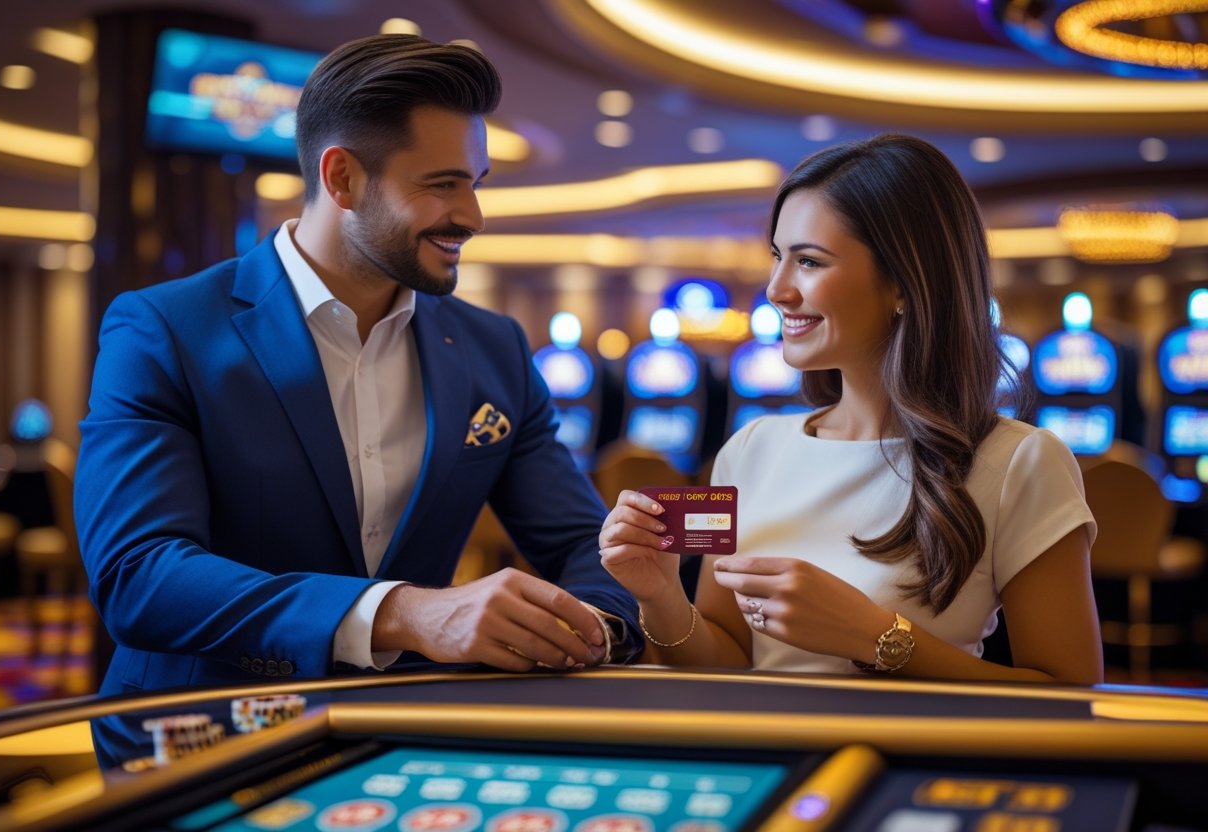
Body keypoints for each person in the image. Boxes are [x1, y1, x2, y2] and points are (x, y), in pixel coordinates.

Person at [75, 33, 641, 751]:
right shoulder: (163, 329)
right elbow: (140, 575)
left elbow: (581, 546)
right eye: (442, 183)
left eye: (476, 181)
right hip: (201, 735)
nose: (473, 215)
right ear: (341, 178)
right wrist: (401, 614)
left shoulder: (492, 347)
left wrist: (595, 625)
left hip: (404, 733)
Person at [600, 134, 1103, 684]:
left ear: (905, 284)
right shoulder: (750, 450)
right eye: (777, 257)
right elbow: (728, 663)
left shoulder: (1021, 462)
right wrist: (661, 596)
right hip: (767, 755)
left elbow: (1071, 693)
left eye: (809, 261)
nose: (776, 289)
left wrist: (877, 637)